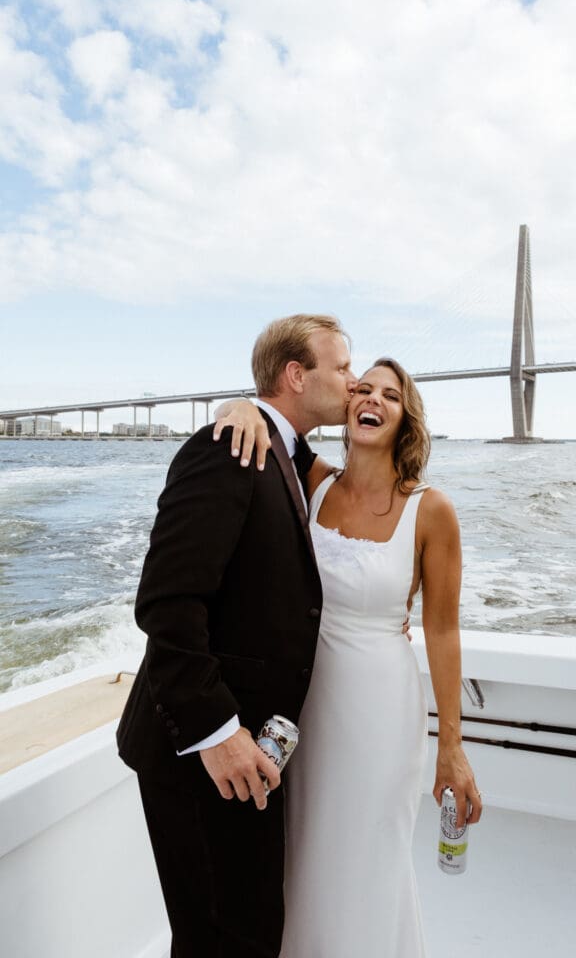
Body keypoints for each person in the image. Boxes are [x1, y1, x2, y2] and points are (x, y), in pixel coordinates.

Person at [214, 357, 481, 957]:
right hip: (303, 704)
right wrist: (234, 408)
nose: (372, 398)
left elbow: (442, 631)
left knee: (368, 852)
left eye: (390, 394)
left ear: (404, 419)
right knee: (304, 850)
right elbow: (265, 422)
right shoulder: (312, 482)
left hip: (381, 710)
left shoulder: (431, 510)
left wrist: (452, 748)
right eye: (362, 388)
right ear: (347, 409)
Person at [116, 314, 357, 958]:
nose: (353, 381)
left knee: (242, 930)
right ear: (295, 376)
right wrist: (217, 734)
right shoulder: (227, 447)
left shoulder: (283, 450)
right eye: (342, 367)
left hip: (253, 753)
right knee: (224, 938)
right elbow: (167, 604)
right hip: (202, 752)